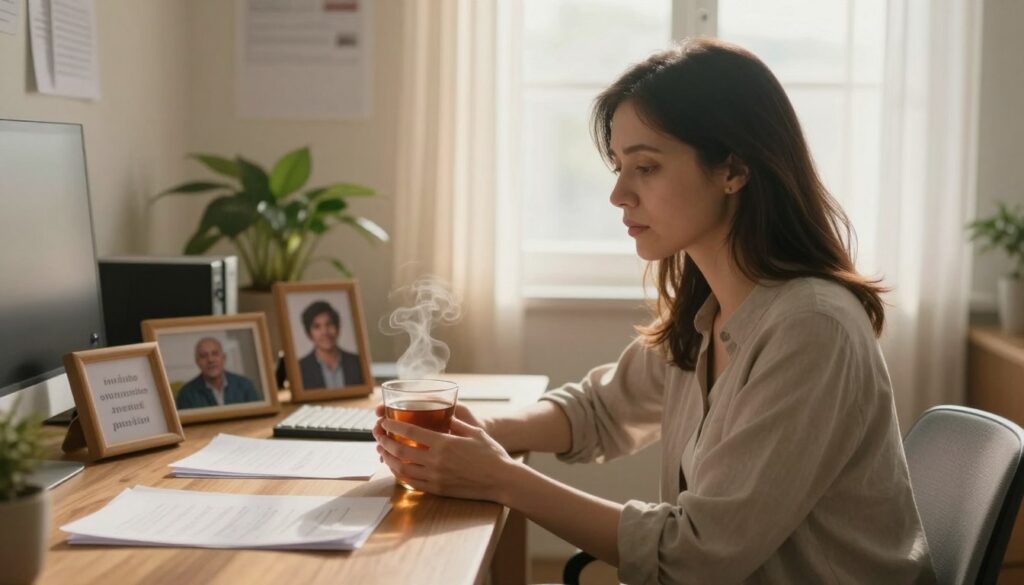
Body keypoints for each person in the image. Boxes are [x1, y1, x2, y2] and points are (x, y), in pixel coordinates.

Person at [373, 39, 936, 584]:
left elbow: (696, 556)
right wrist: (471, 434)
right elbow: (601, 409)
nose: (619, 194)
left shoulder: (812, 329)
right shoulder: (711, 308)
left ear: (733, 170)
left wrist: (501, 479)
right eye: (619, 166)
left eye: (645, 167)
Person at [175, 337, 261, 409]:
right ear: (197, 362)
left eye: (215, 354)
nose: (210, 360)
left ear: (224, 358)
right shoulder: (186, 394)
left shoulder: (245, 385)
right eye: (204, 356)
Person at [298, 300, 364, 389]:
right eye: (317, 327)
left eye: (329, 324)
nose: (325, 332)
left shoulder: (358, 362)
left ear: (337, 328)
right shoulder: (300, 368)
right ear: (309, 333)